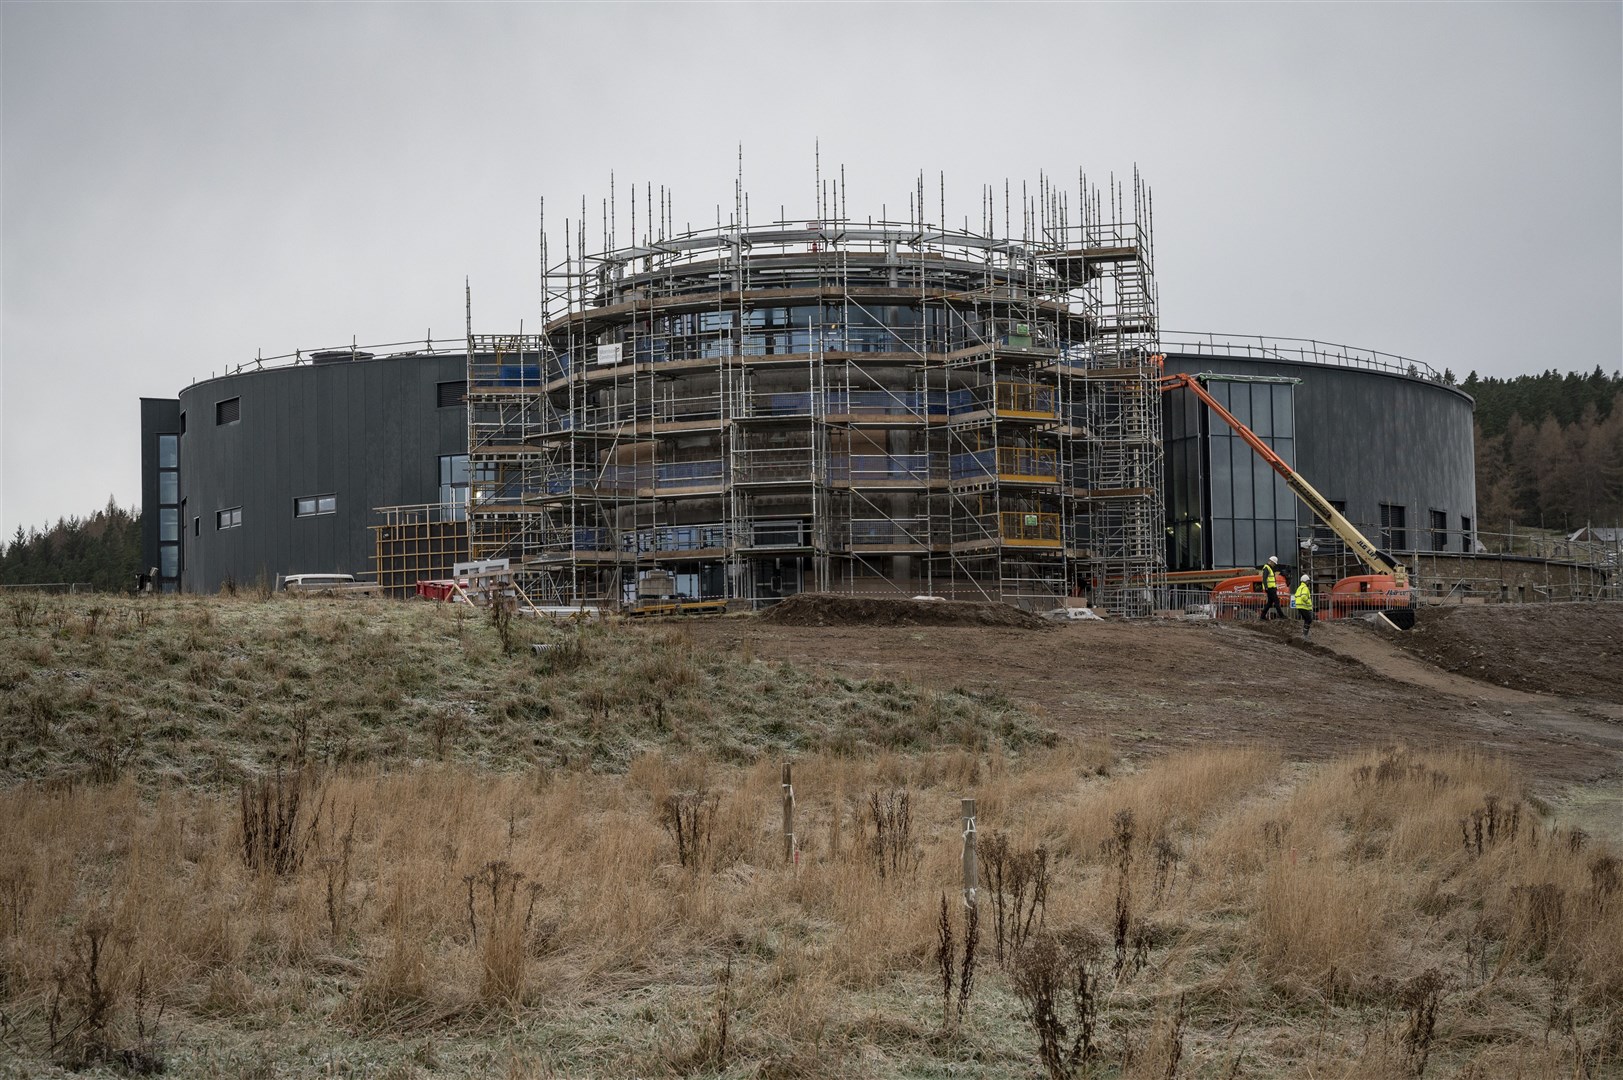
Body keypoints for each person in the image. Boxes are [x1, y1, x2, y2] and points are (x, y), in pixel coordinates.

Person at [1258, 555, 1283, 621]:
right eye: (1274, 563)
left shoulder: (1269, 568)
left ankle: (1262, 616)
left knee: (1270, 603)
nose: (1274, 565)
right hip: (1270, 588)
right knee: (1276, 601)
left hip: (1272, 588)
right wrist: (1266, 587)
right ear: (1271, 562)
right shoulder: (1267, 568)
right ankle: (1281, 615)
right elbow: (1264, 579)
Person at [1293, 574, 1315, 639]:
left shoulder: (1299, 588)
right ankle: (1305, 635)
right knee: (1309, 619)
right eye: (1308, 581)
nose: (1308, 582)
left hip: (1299, 606)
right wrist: (1309, 603)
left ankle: (1305, 634)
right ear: (1305, 581)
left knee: (1306, 619)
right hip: (1304, 606)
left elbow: (1296, 596)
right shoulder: (1305, 588)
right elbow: (1304, 597)